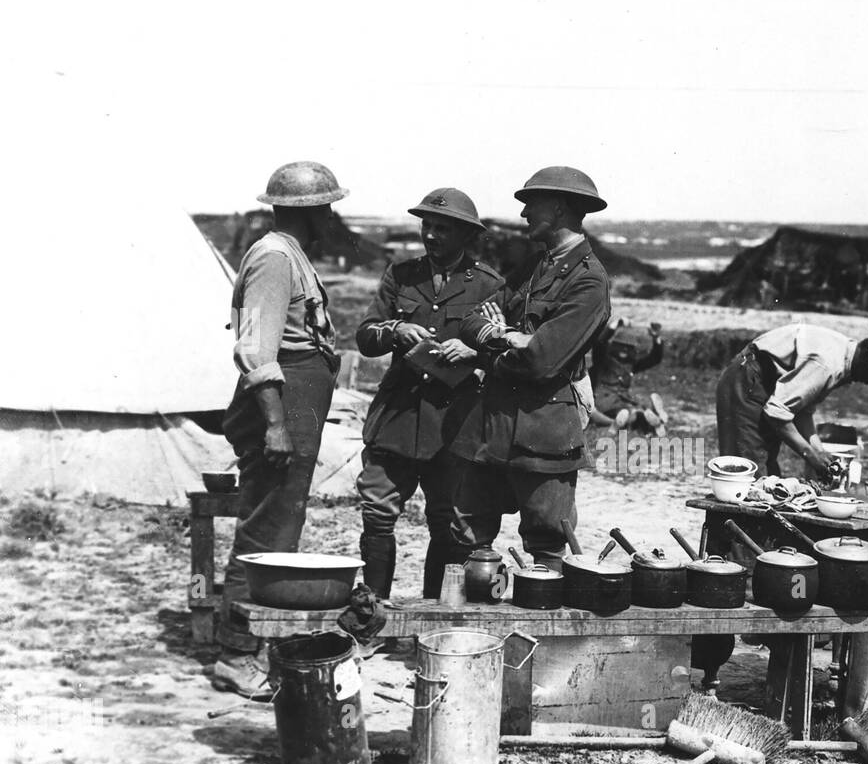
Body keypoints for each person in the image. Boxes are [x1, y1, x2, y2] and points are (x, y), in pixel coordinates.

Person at [212, 161, 347, 690]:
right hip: (281, 407)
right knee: (264, 530)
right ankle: (237, 653)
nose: (332, 218)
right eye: (328, 207)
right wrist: (274, 424)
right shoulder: (274, 258)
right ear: (312, 211)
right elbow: (254, 348)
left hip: (295, 405)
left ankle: (259, 645)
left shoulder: (292, 255)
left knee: (278, 528)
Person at [449, 166, 611, 571]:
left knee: (547, 543)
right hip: (492, 427)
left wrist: (496, 342)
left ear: (557, 209)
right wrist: (505, 338)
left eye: (531, 205)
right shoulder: (532, 267)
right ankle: (469, 632)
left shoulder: (589, 282)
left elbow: (541, 361)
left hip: (544, 431)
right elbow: (470, 322)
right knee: (469, 534)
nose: (523, 215)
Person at [353, 188, 505, 600]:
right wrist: (394, 331)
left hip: (456, 425)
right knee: (378, 514)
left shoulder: (488, 285)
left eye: (443, 228)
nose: (432, 235)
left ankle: (437, 615)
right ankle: (374, 612)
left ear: (465, 234)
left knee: (449, 522)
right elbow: (366, 336)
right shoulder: (401, 275)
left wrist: (475, 353)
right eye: (427, 225)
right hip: (398, 417)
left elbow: (504, 349)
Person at [715, 322, 868, 479]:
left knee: (765, 470)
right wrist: (811, 455)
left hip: (764, 383)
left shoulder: (843, 354)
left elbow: (802, 409)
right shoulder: (827, 364)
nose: (867, 383)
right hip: (747, 379)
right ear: (865, 360)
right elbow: (776, 412)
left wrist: (819, 452)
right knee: (749, 470)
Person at [589, 318, 668, 431]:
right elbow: (599, 343)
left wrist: (656, 338)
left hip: (622, 402)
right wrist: (614, 326)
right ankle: (648, 420)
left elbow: (654, 359)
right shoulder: (602, 360)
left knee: (636, 413)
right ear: (613, 345)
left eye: (628, 348)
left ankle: (655, 420)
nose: (624, 350)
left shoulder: (630, 365)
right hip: (603, 404)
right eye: (620, 346)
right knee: (630, 414)